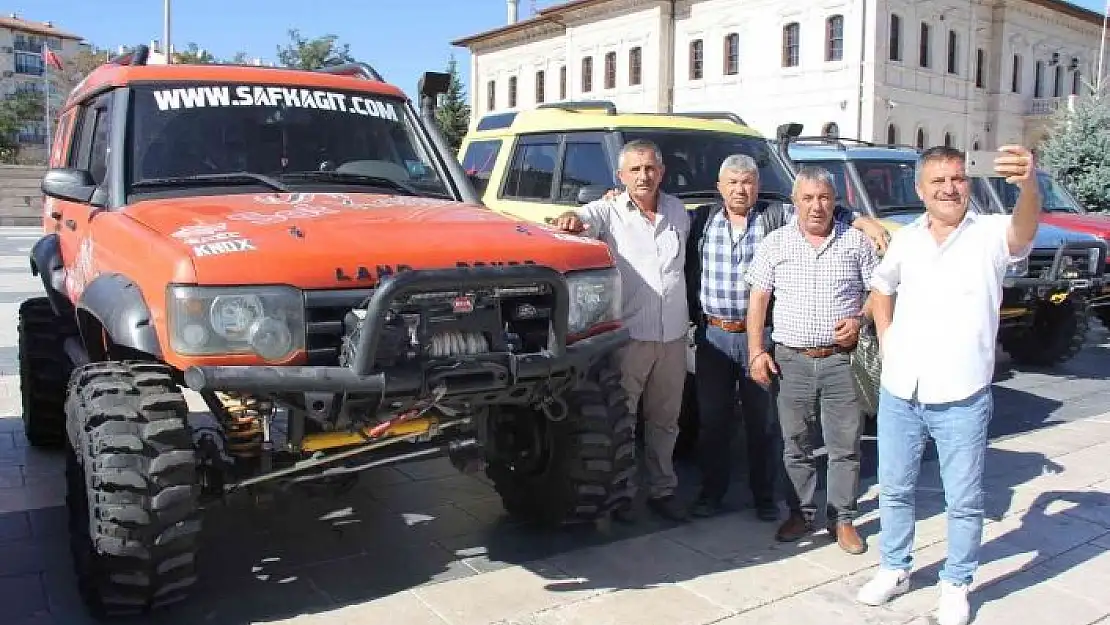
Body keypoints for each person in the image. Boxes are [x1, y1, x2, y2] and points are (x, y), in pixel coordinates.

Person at [855, 145, 1041, 625]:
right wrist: (887, 336)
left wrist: (1027, 185)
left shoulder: (990, 234)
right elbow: (881, 286)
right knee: (894, 488)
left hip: (962, 394)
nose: (948, 188)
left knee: (963, 499)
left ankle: (956, 583)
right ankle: (895, 568)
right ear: (921, 189)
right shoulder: (908, 239)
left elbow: (1024, 232)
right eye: (937, 181)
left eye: (956, 179)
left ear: (968, 183)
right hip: (902, 388)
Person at [685, 154, 889, 521]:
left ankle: (766, 498)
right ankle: (710, 494)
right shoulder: (701, 219)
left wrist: (863, 221)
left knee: (763, 423)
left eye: (747, 181)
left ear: (758, 187)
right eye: (732, 182)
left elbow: (821, 207)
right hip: (713, 338)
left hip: (761, 335)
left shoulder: (775, 218)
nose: (740, 188)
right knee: (713, 421)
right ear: (719, 188)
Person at [744, 165, 880, 555]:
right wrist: (756, 351)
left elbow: (878, 293)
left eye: (823, 198)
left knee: (845, 445)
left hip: (842, 362)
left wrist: (859, 319)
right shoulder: (776, 243)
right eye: (807, 198)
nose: (816, 206)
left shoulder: (856, 243)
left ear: (835, 201)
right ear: (794, 202)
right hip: (791, 361)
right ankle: (801, 514)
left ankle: (843, 519)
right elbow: (758, 301)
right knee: (795, 444)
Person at [552, 138, 690, 522]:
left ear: (661, 172)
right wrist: (569, 218)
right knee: (623, 419)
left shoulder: (678, 211)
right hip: (630, 338)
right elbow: (579, 219)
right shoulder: (609, 210)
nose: (644, 176)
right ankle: (623, 494)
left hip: (673, 336)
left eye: (650, 169)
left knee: (665, 420)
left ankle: (663, 489)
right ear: (620, 176)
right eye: (635, 170)